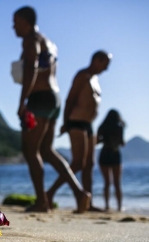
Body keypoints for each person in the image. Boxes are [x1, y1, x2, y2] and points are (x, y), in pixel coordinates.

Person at [12, 6, 91, 213]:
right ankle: (80, 193)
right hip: (54, 98)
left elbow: (31, 68)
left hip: (39, 99)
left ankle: (41, 202)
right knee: (46, 150)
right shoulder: (50, 43)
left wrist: (23, 102)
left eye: (16, 22)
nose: (13, 26)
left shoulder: (31, 40)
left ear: (26, 22)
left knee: (30, 150)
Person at [46, 50, 112, 212]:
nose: (106, 69)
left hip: (89, 125)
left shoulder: (95, 79)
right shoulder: (82, 75)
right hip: (76, 122)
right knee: (78, 163)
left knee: (89, 164)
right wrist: (65, 122)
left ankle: (86, 203)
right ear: (97, 60)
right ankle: (49, 193)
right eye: (106, 64)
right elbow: (70, 99)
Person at [96, 109, 125, 212]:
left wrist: (104, 139)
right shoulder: (119, 127)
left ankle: (107, 205)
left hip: (104, 153)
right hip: (115, 153)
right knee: (117, 183)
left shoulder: (103, 126)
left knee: (107, 182)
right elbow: (122, 142)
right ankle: (119, 206)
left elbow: (97, 141)